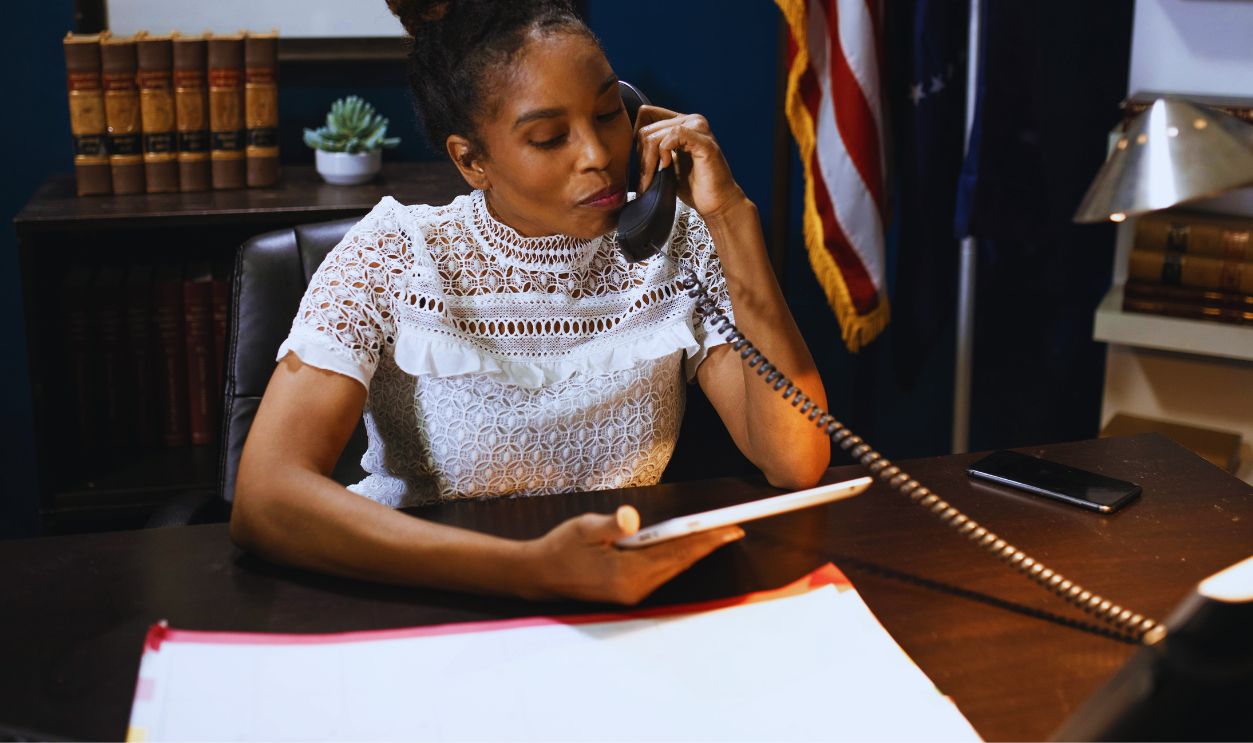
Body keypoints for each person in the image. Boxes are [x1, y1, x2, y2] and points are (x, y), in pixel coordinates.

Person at [230, 0, 830, 604]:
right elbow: (266, 497)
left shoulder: (675, 249)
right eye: (549, 138)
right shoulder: (395, 255)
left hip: (610, 590)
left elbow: (794, 459)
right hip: (428, 596)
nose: (596, 155)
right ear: (472, 160)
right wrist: (532, 570)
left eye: (606, 115)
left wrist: (731, 218)